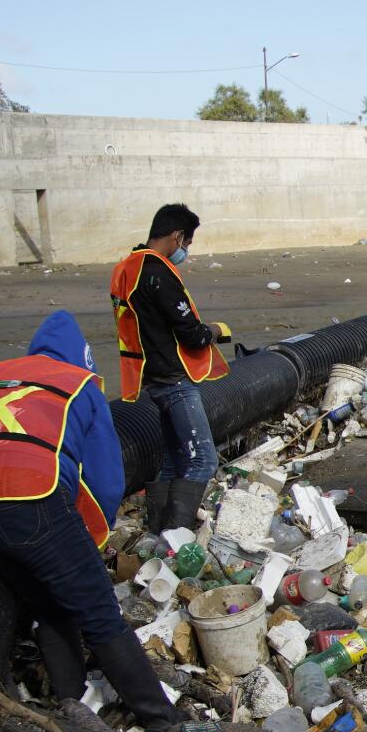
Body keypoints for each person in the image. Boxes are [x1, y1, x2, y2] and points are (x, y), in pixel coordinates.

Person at [0, 310, 178, 729]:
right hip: (31, 506)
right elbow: (104, 481)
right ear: (82, 359)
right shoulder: (78, 385)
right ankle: (164, 722)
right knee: (99, 611)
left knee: (49, 600)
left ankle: (73, 702)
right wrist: (89, 544)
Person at [110, 203, 233, 534]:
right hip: (174, 381)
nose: (186, 251)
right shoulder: (157, 272)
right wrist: (216, 331)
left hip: (150, 378)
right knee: (202, 460)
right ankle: (173, 542)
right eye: (188, 243)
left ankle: (156, 534)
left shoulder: (128, 268)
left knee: (170, 461)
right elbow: (191, 334)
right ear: (177, 236)